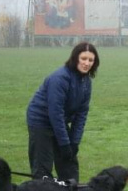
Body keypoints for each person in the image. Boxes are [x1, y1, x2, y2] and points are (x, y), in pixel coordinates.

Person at [26, 42, 100, 182]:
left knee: (69, 162)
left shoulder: (86, 82)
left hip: (60, 120)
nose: (87, 63)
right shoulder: (60, 78)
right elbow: (55, 112)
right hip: (40, 120)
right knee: (43, 167)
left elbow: (81, 115)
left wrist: (74, 143)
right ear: (75, 58)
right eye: (83, 58)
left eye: (91, 60)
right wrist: (64, 144)